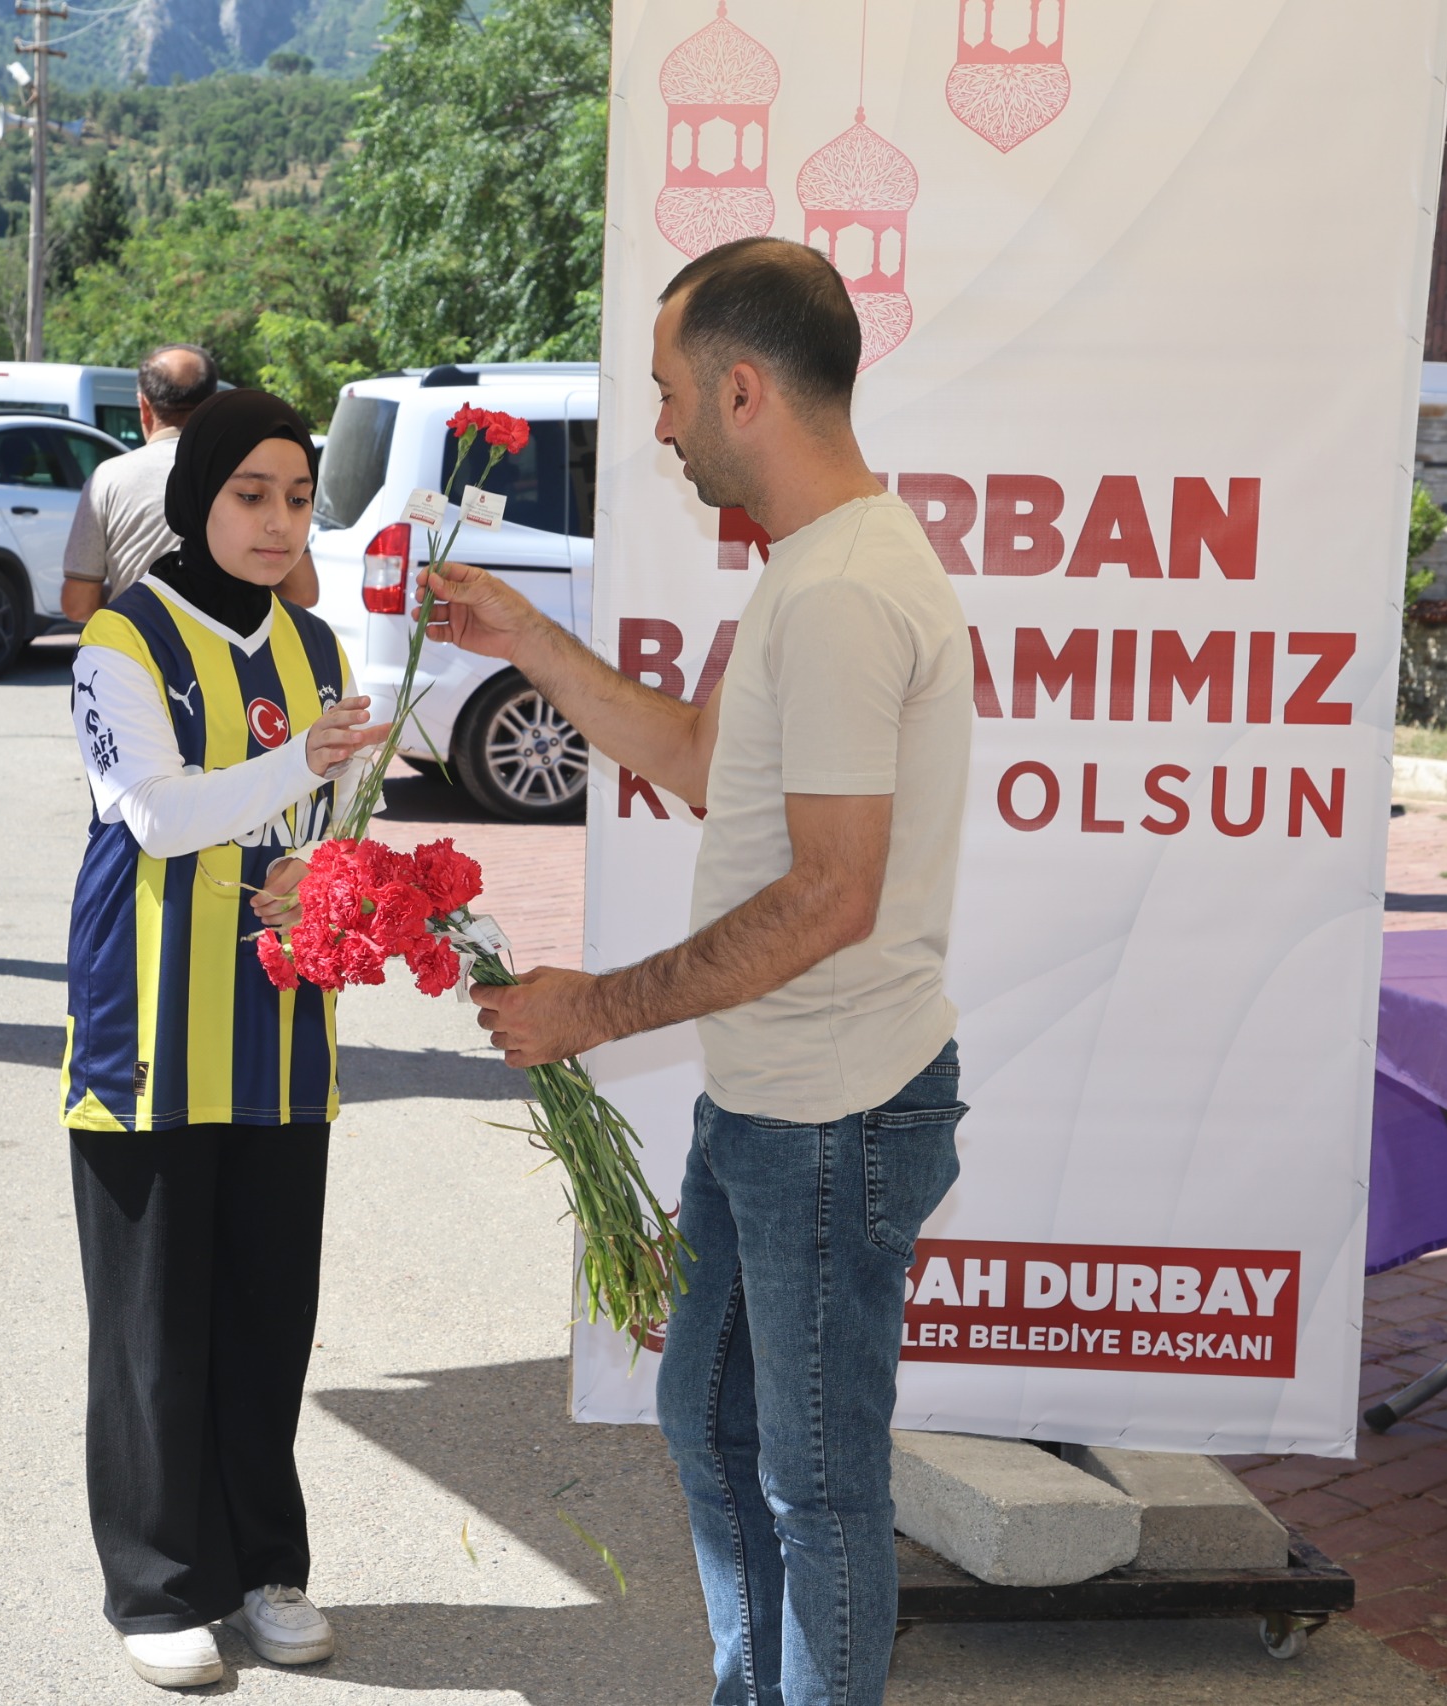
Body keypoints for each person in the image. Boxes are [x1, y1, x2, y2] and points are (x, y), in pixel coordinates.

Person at [426, 236, 975, 1706]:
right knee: (713, 1424)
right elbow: (694, 757)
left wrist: (590, 1009)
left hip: (836, 1109)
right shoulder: (809, 566)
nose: (659, 427)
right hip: (772, 1094)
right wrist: (525, 633)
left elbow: (832, 896)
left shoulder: (851, 588)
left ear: (744, 388)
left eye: (670, 394)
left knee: (818, 1483)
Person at [59, 388, 388, 1691]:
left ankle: (264, 1566)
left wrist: (321, 877)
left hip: (282, 1036)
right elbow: (151, 815)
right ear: (196, 495)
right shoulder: (119, 643)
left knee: (267, 1315)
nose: (276, 519)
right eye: (250, 492)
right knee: (151, 1323)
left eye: (298, 496)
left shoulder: (322, 647)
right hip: (148, 1033)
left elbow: (339, 822)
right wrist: (299, 764)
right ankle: (156, 1585)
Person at [60, 344, 317, 623]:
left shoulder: (107, 479)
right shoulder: (252, 468)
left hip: (141, 653)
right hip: (240, 657)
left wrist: (134, 610)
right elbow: (303, 592)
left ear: (144, 407)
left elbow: (78, 604)